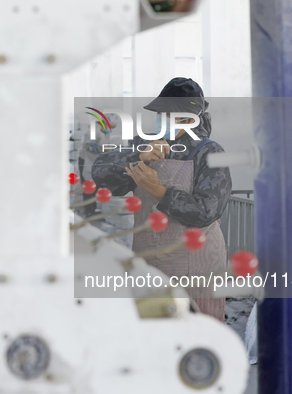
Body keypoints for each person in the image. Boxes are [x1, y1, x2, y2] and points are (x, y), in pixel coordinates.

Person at [92, 77, 231, 321]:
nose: (161, 120)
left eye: (169, 114)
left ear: (190, 119)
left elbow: (207, 211)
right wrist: (138, 156)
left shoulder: (209, 152)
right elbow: (101, 176)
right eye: (160, 114)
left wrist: (160, 192)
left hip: (196, 262)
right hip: (149, 259)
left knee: (194, 328)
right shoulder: (144, 144)